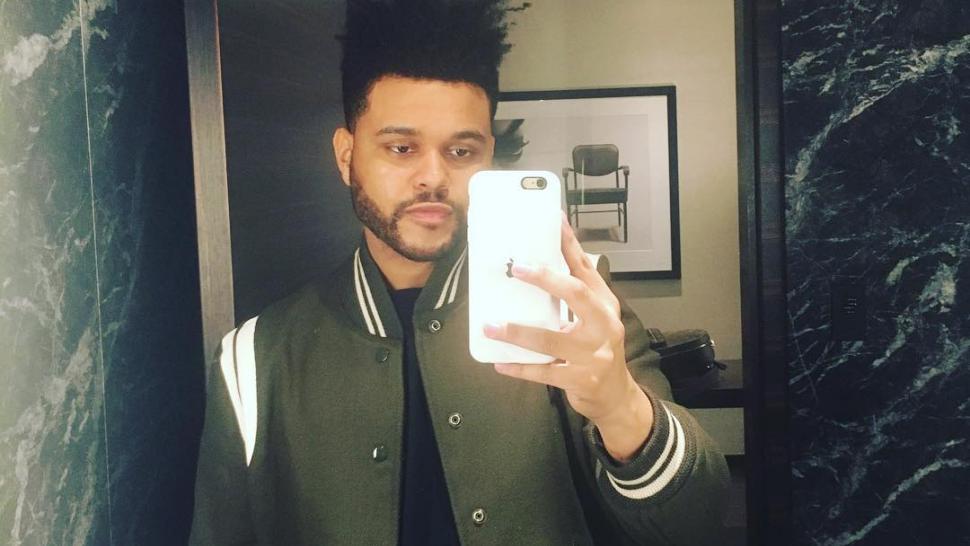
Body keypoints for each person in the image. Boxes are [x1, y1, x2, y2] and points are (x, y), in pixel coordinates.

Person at [189, 1, 729, 544]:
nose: (433, 176)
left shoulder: (574, 306)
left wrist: (621, 408)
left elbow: (695, 519)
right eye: (401, 148)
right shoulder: (255, 359)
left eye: (461, 150)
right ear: (347, 156)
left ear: (488, 155)